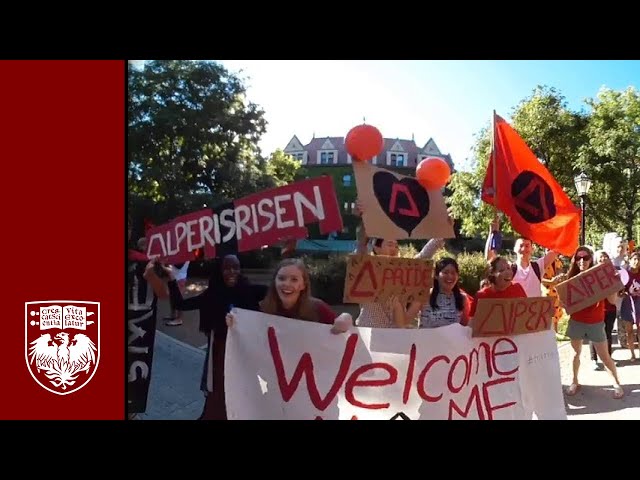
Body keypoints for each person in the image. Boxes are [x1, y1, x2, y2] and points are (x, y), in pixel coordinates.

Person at [164, 254, 267, 420]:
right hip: (220, 353)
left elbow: (280, 295)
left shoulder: (250, 291)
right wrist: (171, 279)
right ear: (220, 271)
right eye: (227, 268)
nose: (232, 272)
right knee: (219, 390)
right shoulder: (211, 295)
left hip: (245, 354)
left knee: (243, 389)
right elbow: (180, 304)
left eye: (236, 267)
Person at [352, 199, 446, 328]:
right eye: (390, 244)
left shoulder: (402, 272)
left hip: (395, 336)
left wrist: (443, 230)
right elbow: (361, 245)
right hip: (370, 333)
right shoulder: (368, 269)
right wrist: (365, 217)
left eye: (396, 246)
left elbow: (424, 256)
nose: (394, 249)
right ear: (376, 248)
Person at [227, 257, 353, 332]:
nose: (287, 284)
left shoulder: (319, 309)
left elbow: (343, 335)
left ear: (303, 285)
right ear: (274, 282)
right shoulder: (261, 310)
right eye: (281, 278)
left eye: (294, 279)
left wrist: (346, 321)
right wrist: (236, 325)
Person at [563, 246, 623, 399]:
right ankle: (574, 381)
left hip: (596, 322)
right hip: (576, 321)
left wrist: (613, 284)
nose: (582, 261)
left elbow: (612, 300)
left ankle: (616, 383)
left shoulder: (600, 276)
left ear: (591, 259)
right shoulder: (570, 277)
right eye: (578, 258)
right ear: (575, 260)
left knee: (604, 356)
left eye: (585, 257)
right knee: (575, 354)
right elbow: (565, 305)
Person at [484, 217, 559, 297]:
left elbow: (557, 248)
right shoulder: (510, 268)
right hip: (516, 308)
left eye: (527, 246)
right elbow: (490, 258)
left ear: (532, 249)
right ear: (514, 249)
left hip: (534, 308)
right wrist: (492, 232)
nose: (524, 249)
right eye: (521, 246)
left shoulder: (538, 266)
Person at [403, 257, 472, 329]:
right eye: (445, 272)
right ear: (436, 275)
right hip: (426, 339)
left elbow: (465, 327)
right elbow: (405, 321)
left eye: (453, 273)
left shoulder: (462, 299)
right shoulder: (424, 295)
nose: (450, 276)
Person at [588, 250, 618, 369]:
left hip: (610, 309)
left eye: (605, 257)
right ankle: (594, 359)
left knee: (608, 334)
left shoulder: (614, 273)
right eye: (601, 257)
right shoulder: (591, 274)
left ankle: (608, 359)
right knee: (594, 334)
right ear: (596, 259)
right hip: (595, 309)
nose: (603, 259)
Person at [619, 251, 640, 362]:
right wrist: (624, 293)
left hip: (639, 304)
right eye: (634, 259)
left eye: (638, 260)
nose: (636, 262)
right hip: (628, 304)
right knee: (630, 331)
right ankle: (632, 354)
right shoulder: (625, 274)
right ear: (630, 261)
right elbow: (619, 291)